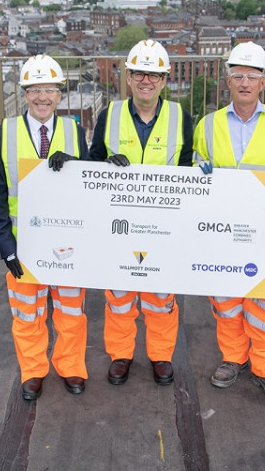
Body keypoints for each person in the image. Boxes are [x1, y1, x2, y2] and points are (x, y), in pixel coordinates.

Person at [193, 41, 265, 403]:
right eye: (238, 75)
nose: (244, 82)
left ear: (263, 83)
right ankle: (233, 358)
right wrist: (200, 171)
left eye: (251, 76)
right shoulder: (208, 126)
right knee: (226, 299)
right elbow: (197, 166)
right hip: (222, 230)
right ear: (227, 81)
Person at [89, 39, 194, 386]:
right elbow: (91, 167)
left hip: (163, 224)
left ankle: (161, 355)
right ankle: (121, 354)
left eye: (154, 75)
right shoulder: (110, 115)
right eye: (139, 74)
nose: (146, 81)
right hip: (119, 223)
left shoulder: (181, 117)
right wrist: (105, 164)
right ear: (129, 78)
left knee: (161, 296)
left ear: (164, 80)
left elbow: (187, 169)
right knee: (119, 294)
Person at [0, 54, 90, 401]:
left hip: (68, 241)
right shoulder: (3, 134)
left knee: (71, 311)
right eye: (34, 90)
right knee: (27, 314)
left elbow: (89, 186)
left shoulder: (75, 131)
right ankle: (33, 371)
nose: (42, 97)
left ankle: (71, 365)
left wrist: (76, 163)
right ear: (24, 93)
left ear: (60, 94)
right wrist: (7, 248)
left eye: (49, 89)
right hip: (24, 245)